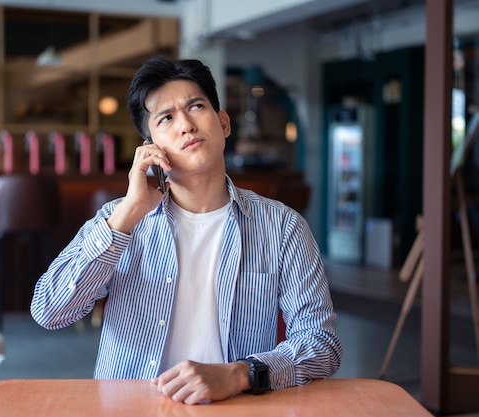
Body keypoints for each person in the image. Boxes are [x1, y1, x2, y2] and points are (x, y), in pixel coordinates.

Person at [31, 55, 342, 405]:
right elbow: (50, 311)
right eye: (166, 118)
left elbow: (322, 343)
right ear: (149, 147)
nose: (186, 125)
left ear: (223, 123)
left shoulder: (282, 227)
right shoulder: (118, 220)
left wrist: (240, 373)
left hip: (236, 409)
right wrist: (128, 214)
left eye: (196, 107)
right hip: (131, 410)